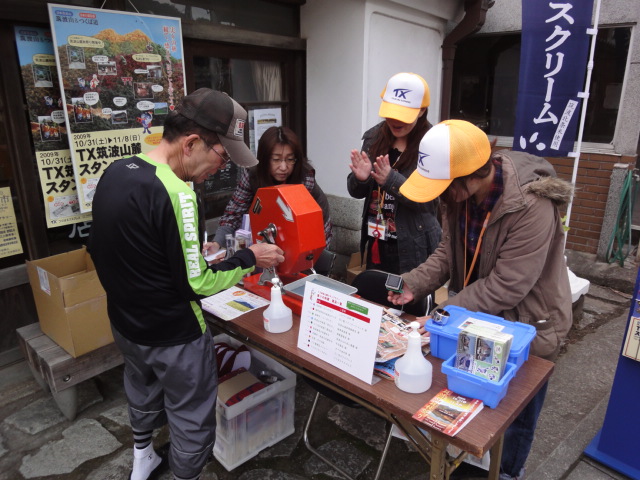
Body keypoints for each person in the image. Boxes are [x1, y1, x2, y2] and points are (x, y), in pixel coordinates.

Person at [88, 88, 285, 480]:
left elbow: (107, 249)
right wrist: (250, 258)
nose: (221, 167)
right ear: (193, 142)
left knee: (141, 390)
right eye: (222, 156)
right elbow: (199, 283)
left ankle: (142, 460)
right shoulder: (179, 194)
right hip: (174, 336)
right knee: (191, 418)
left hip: (127, 325)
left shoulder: (116, 172)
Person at [388, 119, 573, 480]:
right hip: (477, 315)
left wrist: (442, 314)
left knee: (516, 413)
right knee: (474, 401)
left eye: (443, 187)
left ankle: (507, 472)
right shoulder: (458, 195)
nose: (440, 195)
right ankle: (467, 463)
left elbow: (508, 284)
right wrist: (413, 284)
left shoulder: (532, 206)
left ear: (473, 175)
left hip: (529, 324)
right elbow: (447, 251)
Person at [347, 72, 441, 276]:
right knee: (376, 301)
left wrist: (392, 181)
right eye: (391, 113)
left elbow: (429, 202)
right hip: (377, 240)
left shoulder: (433, 145)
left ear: (421, 110)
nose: (395, 121)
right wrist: (361, 179)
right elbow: (356, 192)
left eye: (402, 115)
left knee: (409, 304)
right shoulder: (374, 137)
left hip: (413, 244)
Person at [208, 125, 332, 254]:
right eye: (276, 159)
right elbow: (233, 214)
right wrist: (217, 242)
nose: (284, 167)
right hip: (268, 232)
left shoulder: (304, 178)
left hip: (308, 232)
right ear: (264, 159)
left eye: (290, 159)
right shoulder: (252, 175)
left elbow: (309, 224)